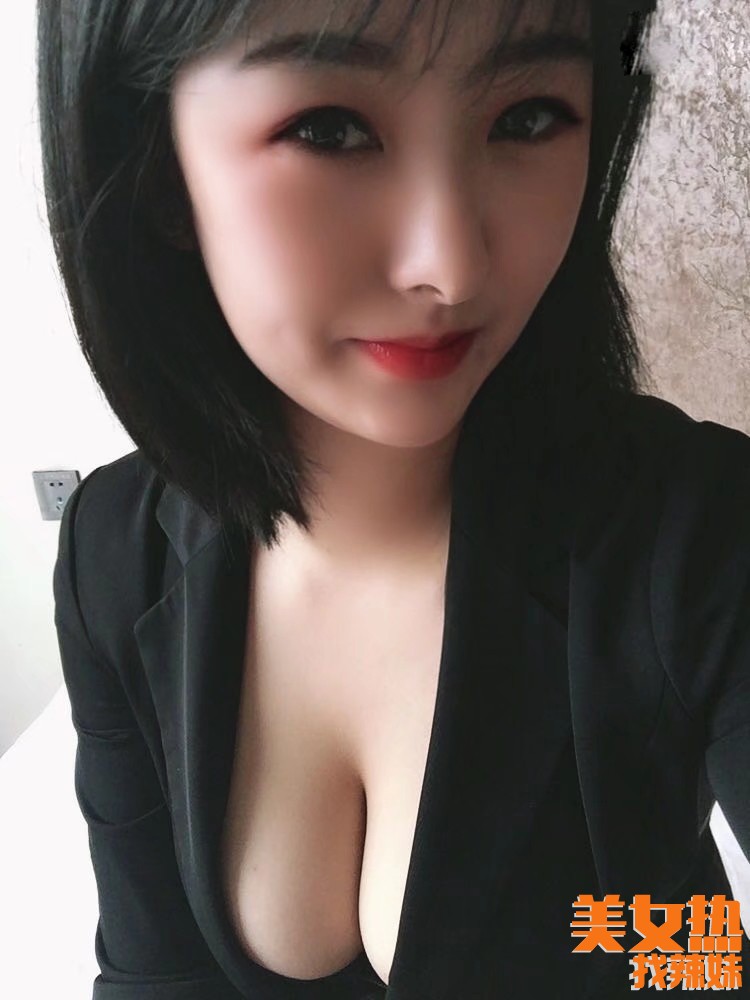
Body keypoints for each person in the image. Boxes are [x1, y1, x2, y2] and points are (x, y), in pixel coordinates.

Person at [39, 0, 750, 996]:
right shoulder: (113, 556)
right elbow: (157, 973)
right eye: (331, 129)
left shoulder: (699, 534)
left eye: (529, 117)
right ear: (157, 163)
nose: (449, 265)